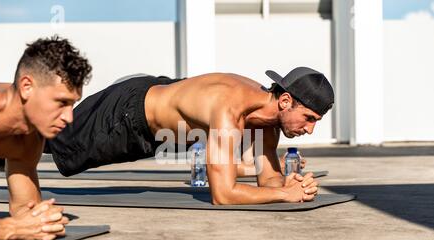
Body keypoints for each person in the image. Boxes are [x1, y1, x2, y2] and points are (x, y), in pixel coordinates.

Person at [46, 67, 334, 205]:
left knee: (48, 137)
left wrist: (288, 184)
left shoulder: (266, 122)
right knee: (49, 139)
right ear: (285, 101)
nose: (309, 129)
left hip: (157, 110)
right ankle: (1, 137)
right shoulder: (230, 109)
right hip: (127, 114)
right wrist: (283, 194)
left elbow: (266, 177)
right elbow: (223, 194)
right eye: (309, 118)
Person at [0, 36, 92, 240]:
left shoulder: (29, 138)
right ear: (27, 87)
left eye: (73, 104)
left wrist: (40, 222)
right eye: (61, 102)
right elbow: (17, 225)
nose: (69, 118)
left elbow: (27, 215)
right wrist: (9, 228)